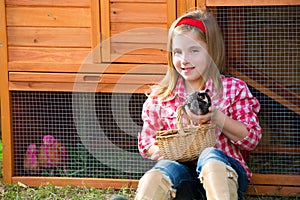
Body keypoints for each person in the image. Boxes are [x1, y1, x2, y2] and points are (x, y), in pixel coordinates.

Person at [133, 8, 262, 200]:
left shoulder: (233, 89)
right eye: (178, 52)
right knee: (159, 172)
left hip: (225, 172)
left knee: (210, 156)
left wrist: (217, 117)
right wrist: (162, 149)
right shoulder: (160, 96)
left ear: (212, 51)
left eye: (194, 50)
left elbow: (251, 139)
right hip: (182, 178)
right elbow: (146, 142)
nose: (184, 60)